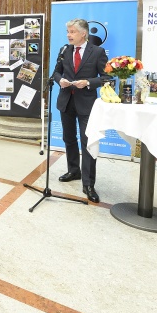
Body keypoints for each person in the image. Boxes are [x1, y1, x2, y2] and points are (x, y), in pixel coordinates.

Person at [51, 18, 110, 204]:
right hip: (66, 101)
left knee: (87, 142)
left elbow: (107, 78)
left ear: (83, 33)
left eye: (72, 32)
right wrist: (59, 80)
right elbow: (56, 72)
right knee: (69, 139)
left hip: (87, 104)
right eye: (68, 32)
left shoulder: (98, 52)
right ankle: (73, 171)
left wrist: (88, 82)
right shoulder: (64, 50)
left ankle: (89, 183)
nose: (68, 35)